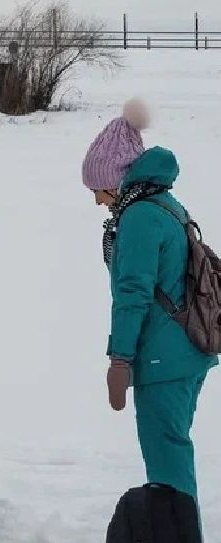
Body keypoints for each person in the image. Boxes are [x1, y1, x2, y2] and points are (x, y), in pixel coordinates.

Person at [82, 98, 217, 503]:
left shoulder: (140, 216)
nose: (98, 201)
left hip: (164, 357)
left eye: (98, 189)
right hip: (187, 352)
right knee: (173, 450)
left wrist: (119, 360)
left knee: (167, 459)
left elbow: (132, 294)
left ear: (116, 180)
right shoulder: (166, 205)